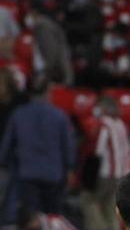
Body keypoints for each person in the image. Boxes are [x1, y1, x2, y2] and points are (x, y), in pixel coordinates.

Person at [0, 77, 75, 216]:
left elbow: (7, 144)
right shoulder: (59, 116)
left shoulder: (19, 114)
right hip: (53, 174)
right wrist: (70, 167)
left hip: (28, 173)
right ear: (48, 92)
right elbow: (68, 145)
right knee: (52, 217)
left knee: (32, 218)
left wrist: (4, 162)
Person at [86, 96, 130, 230]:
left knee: (88, 200)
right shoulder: (122, 125)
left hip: (106, 173)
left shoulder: (103, 125)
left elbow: (98, 150)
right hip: (122, 174)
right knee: (110, 208)